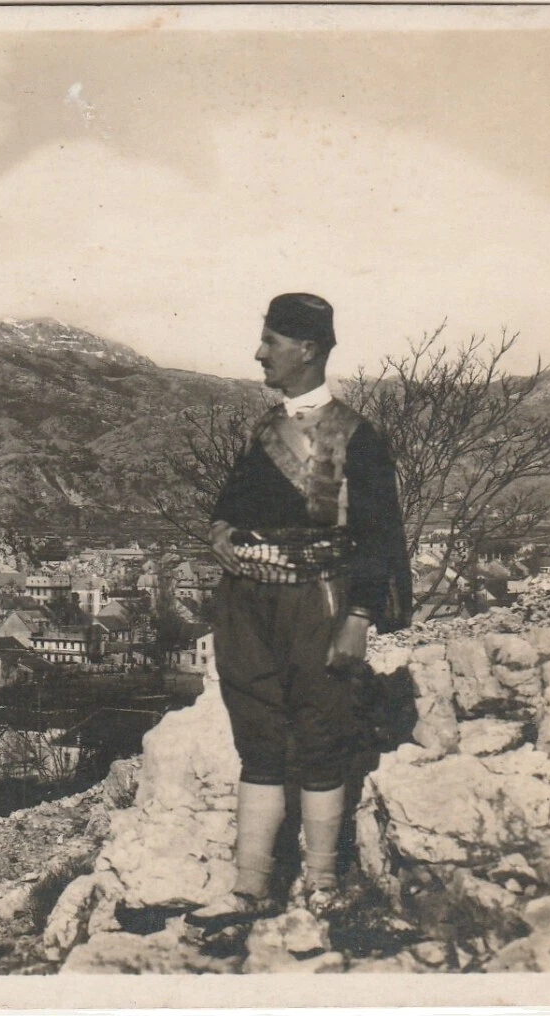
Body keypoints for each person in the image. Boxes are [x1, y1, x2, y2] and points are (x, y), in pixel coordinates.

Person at [189, 293, 411, 928]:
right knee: (256, 738)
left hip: (320, 601)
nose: (259, 353)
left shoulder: (359, 437)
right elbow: (227, 507)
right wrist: (223, 533)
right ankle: (249, 889)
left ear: (308, 348)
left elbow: (380, 536)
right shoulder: (264, 431)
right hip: (247, 605)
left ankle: (321, 885)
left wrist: (361, 618)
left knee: (320, 734)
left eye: (271, 342)